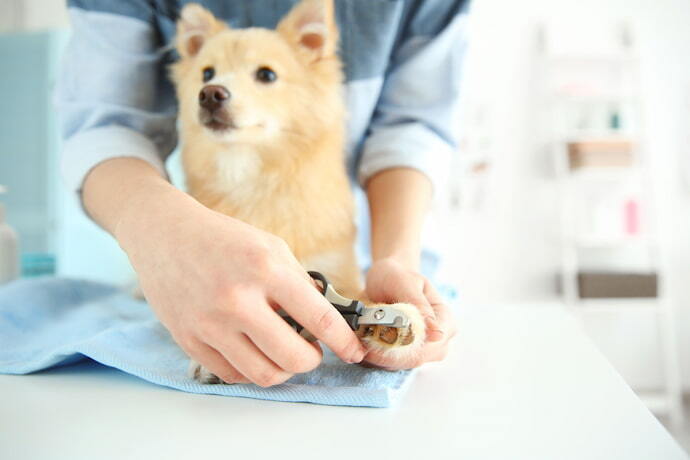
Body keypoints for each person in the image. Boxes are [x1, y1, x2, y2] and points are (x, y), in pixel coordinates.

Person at [57, 0, 468, 387]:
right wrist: (160, 239)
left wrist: (395, 262)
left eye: (265, 74)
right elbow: (104, 124)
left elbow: (413, 126)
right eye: (207, 72)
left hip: (356, 239)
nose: (216, 87)